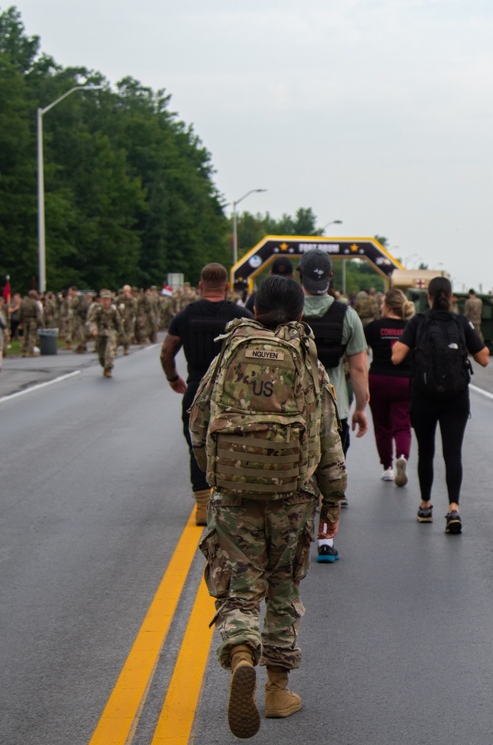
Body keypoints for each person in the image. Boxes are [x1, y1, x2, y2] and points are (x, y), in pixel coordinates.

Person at [189, 275, 346, 739]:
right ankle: (277, 692)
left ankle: (241, 652)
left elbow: (198, 425)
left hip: (234, 495)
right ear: (300, 314)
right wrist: (333, 499)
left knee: (239, 588)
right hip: (292, 498)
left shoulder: (228, 355)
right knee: (282, 590)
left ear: (253, 309)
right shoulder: (306, 363)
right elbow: (327, 438)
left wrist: (216, 475)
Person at [391, 277, 489, 533]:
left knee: (426, 452)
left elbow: (397, 357)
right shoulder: (461, 322)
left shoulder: (418, 322)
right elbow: (484, 358)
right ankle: (453, 508)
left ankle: (425, 505)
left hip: (423, 396)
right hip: (456, 398)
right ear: (452, 296)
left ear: (428, 295)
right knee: (452, 454)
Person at [161, 263, 253, 524]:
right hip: (233, 394)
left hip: (196, 389)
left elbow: (166, 352)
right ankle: (231, 503)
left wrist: (172, 377)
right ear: (227, 287)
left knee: (197, 446)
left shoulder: (185, 316)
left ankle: (202, 507)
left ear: (200, 286)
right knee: (234, 446)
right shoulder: (242, 315)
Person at [298, 249, 369, 562]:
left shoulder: (289, 311)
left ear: (300, 276)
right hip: (334, 410)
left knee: (296, 478)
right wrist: (360, 407)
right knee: (331, 480)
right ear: (330, 277)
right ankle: (325, 543)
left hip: (293, 412)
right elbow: (358, 368)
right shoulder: (347, 315)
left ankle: (293, 539)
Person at [364, 289, 415, 486]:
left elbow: (360, 350)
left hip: (378, 378)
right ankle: (402, 455)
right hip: (404, 380)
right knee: (402, 424)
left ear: (388, 306)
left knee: (382, 425)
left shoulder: (374, 327)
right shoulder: (410, 327)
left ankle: (387, 468)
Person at [86, 290, 125, 378]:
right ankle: (104, 365)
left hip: (111, 332)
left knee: (109, 351)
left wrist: (121, 334)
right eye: (104, 299)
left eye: (108, 299)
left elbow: (118, 322)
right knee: (101, 353)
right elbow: (92, 320)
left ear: (110, 300)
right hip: (100, 332)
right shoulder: (98, 309)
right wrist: (94, 329)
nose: (106, 301)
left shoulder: (114, 310)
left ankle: (108, 368)